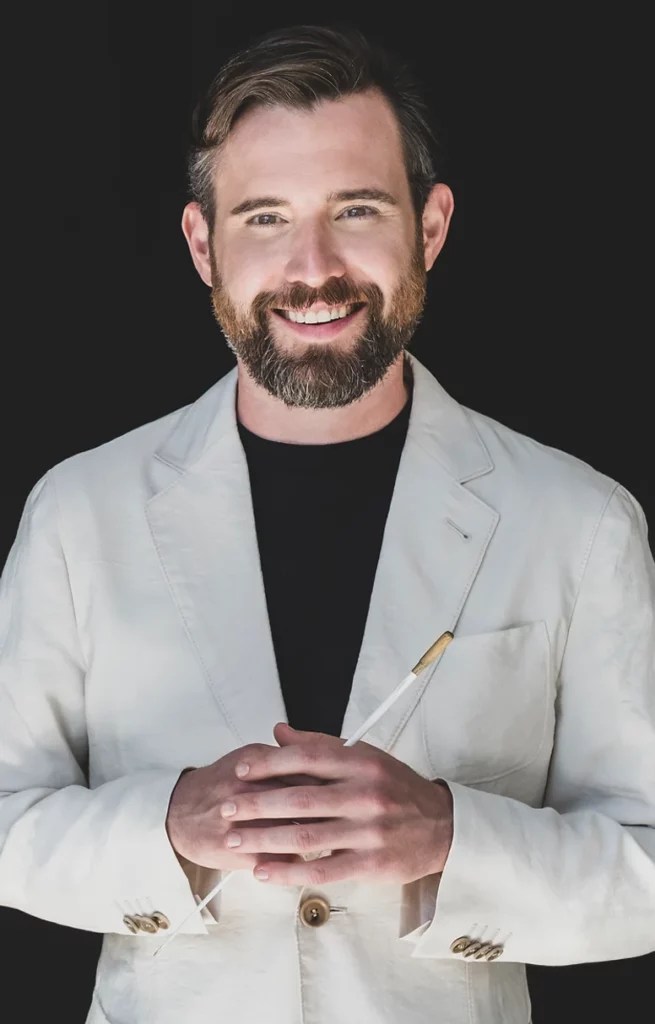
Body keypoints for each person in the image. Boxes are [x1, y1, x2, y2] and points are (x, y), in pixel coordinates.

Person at [1, 21, 654, 1024]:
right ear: (202, 244)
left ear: (429, 226)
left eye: (355, 210)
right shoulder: (76, 515)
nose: (312, 266)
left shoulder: (581, 523)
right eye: (264, 217)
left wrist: (450, 838)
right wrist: (167, 827)